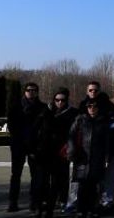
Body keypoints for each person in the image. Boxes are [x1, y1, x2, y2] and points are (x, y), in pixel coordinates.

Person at [7, 82, 49, 213]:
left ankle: (34, 201)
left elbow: (44, 127)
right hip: (18, 145)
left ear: (37, 92)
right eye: (29, 90)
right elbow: (11, 126)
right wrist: (22, 140)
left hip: (35, 146)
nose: (31, 92)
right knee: (16, 175)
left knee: (35, 175)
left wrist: (36, 142)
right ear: (25, 91)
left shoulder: (42, 107)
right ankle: (13, 202)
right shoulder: (15, 107)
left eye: (34, 90)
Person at [68, 98, 110, 218]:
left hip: (97, 157)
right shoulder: (80, 120)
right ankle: (81, 209)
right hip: (82, 157)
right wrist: (72, 152)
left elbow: (107, 141)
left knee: (94, 185)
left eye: (95, 106)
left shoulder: (103, 121)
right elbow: (71, 136)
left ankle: (92, 209)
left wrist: (107, 157)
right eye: (89, 106)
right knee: (81, 185)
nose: (92, 108)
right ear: (86, 108)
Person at [44, 87, 78, 217]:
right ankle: (49, 202)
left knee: (63, 177)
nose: (59, 102)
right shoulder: (47, 111)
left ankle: (63, 200)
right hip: (49, 150)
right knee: (51, 178)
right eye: (57, 100)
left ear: (67, 100)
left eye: (62, 100)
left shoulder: (73, 112)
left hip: (64, 149)